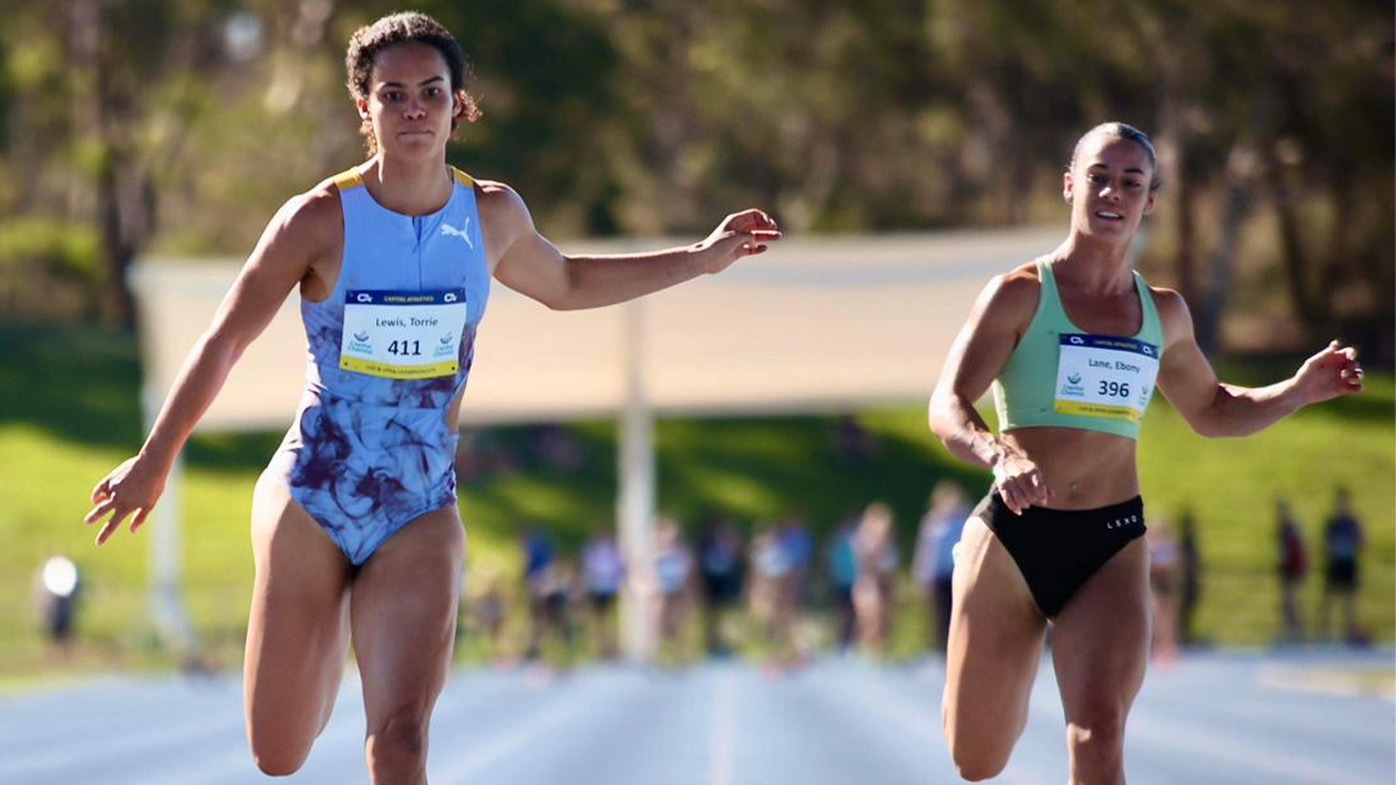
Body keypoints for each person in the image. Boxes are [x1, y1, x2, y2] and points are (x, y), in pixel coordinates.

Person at [82, 12, 781, 783]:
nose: (413, 108)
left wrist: (701, 258)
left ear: (458, 105)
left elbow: (570, 281)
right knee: (278, 753)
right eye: (393, 94)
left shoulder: (491, 215)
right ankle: (335, 621)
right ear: (365, 109)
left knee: (403, 738)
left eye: (430, 92)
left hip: (419, 503)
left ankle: (370, 623)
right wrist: (155, 458)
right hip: (314, 490)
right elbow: (224, 341)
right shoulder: (317, 220)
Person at [928, 122, 1362, 783]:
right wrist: (998, 453)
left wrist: (1297, 390)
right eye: (1099, 175)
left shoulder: (1164, 314)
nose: (1112, 191)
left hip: (1110, 543)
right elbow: (947, 403)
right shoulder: (1020, 293)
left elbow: (1215, 411)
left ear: (1149, 201)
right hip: (1015, 538)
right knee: (976, 758)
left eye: (1131, 181)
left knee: (1098, 733)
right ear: (1070, 185)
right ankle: (994, 661)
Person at [912, 480, 970, 655]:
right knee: (940, 614)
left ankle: (960, 649)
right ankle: (941, 649)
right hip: (938, 575)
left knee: (960, 614)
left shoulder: (965, 520)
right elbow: (926, 551)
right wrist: (922, 575)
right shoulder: (932, 522)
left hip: (958, 574)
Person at [852, 501, 900, 657]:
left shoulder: (890, 544)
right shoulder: (864, 541)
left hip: (885, 583)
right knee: (871, 620)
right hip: (870, 584)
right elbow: (866, 566)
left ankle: (880, 651)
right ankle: (868, 650)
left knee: (886, 621)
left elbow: (891, 568)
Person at [1319, 485, 1365, 644]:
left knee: (1349, 600)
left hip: (1349, 563)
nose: (1342, 506)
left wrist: (1353, 544)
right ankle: (1325, 633)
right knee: (1329, 599)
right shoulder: (1332, 523)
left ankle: (1349, 633)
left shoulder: (1353, 523)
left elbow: (1361, 541)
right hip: (1336, 563)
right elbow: (1326, 542)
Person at [581, 532, 626, 660]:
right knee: (601, 619)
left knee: (604, 619)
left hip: (606, 589)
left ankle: (607, 646)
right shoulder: (597, 552)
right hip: (601, 589)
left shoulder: (596, 552)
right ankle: (602, 646)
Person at [1276, 498, 1308, 644]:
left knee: (1291, 601)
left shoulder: (1291, 529)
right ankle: (1292, 630)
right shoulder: (1284, 528)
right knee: (1288, 602)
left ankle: (1297, 632)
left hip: (1293, 569)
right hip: (1287, 569)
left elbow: (1296, 550)